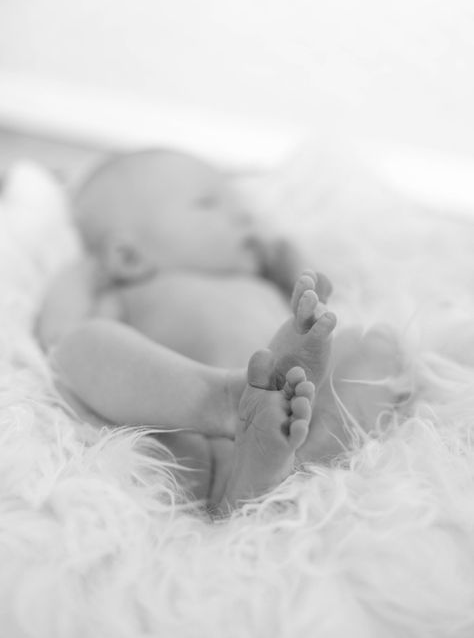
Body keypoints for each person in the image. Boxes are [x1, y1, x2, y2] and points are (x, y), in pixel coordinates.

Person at [38, 149, 401, 509]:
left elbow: (324, 304)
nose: (244, 215)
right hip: (194, 431)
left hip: (293, 412)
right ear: (128, 256)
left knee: (375, 346)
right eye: (209, 203)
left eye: (238, 204)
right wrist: (83, 273)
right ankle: (224, 401)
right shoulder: (133, 290)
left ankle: (291, 464)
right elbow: (58, 333)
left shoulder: (260, 282)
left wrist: (293, 269)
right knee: (81, 342)